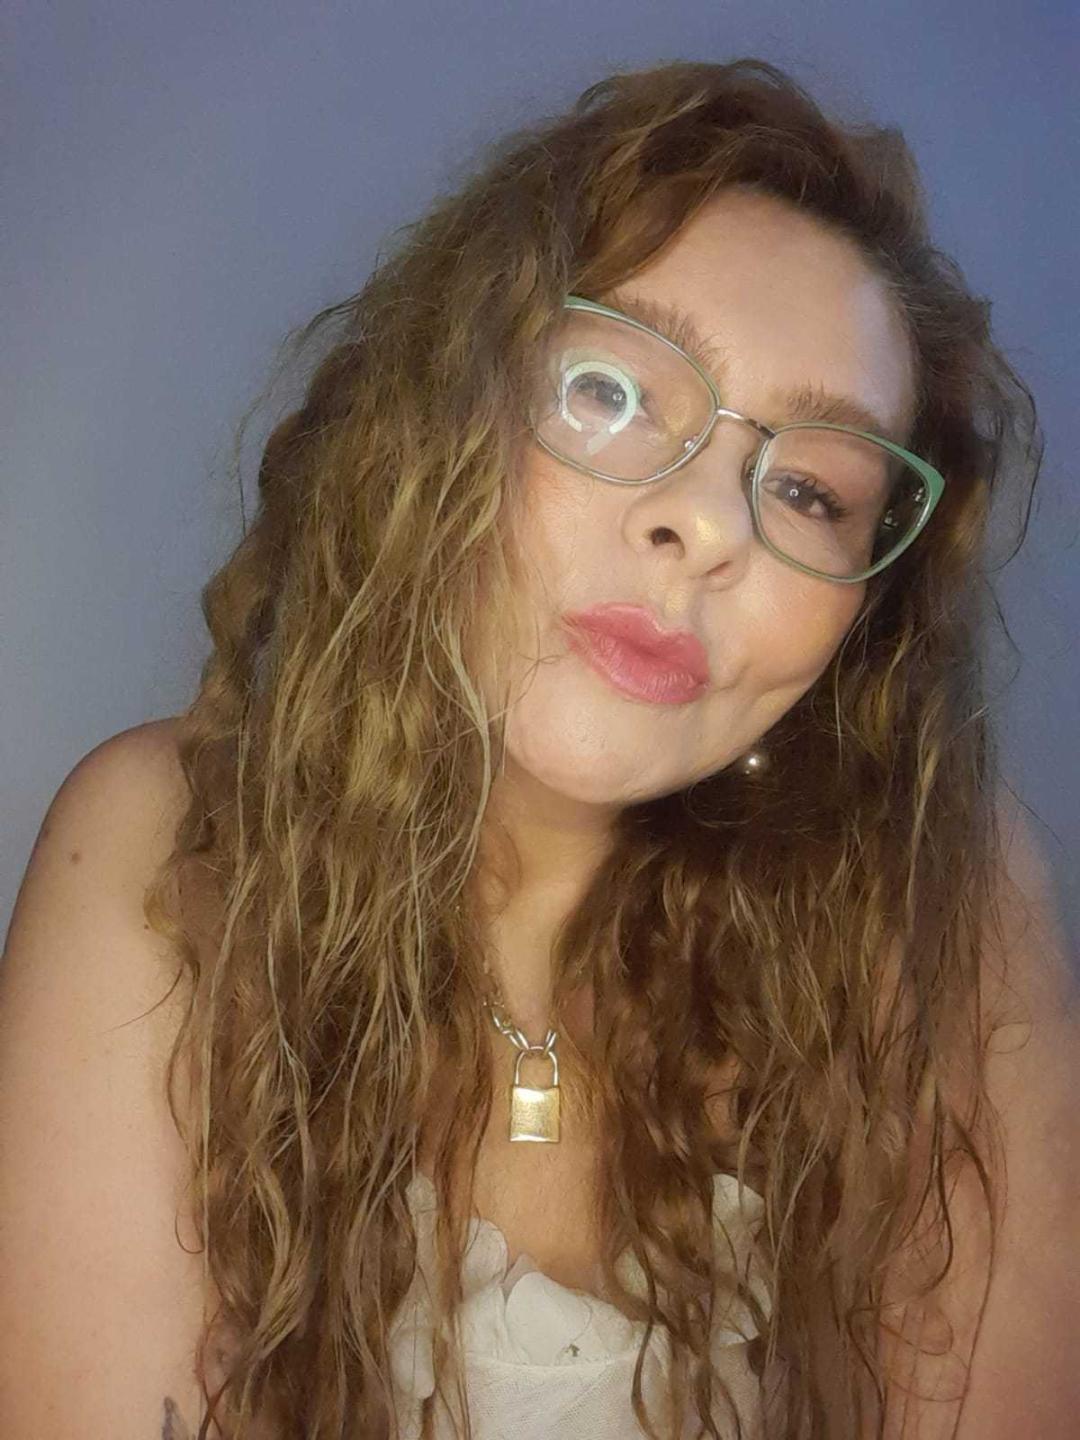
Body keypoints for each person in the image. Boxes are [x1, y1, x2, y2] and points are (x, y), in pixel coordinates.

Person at [1, 55, 1076, 1440]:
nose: (709, 525)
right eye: (612, 393)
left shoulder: (936, 901)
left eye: (813, 489)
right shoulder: (170, 848)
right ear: (444, 415)